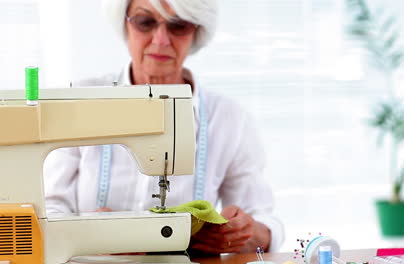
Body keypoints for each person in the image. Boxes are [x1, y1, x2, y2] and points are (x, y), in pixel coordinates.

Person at [44, 0, 284, 255]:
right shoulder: (81, 101)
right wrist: (90, 232)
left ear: (197, 32)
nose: (160, 40)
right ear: (125, 24)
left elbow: (265, 225)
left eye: (178, 26)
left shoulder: (229, 119)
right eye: (145, 22)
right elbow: (49, 209)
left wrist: (243, 232)